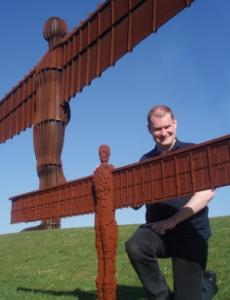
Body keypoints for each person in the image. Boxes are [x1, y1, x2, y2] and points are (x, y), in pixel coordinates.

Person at [125, 105, 218, 300]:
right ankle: (161, 297)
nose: (163, 132)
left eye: (167, 126)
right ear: (149, 130)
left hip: (191, 232)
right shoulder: (145, 161)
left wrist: (172, 221)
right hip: (159, 232)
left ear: (175, 123)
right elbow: (135, 202)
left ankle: (208, 284)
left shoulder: (193, 152)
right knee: (136, 245)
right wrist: (117, 186)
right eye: (157, 129)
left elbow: (205, 194)